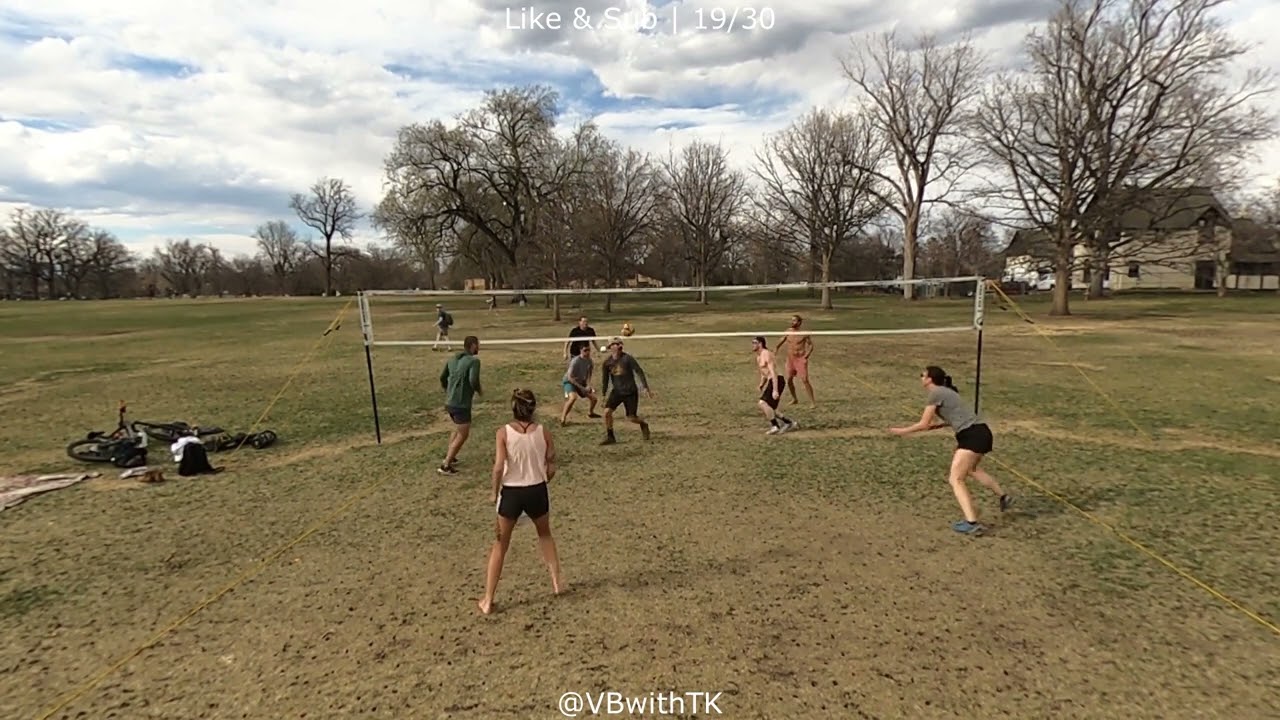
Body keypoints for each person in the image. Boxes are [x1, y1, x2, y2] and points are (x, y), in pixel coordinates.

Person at [889, 365, 1013, 535]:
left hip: (972, 435)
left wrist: (902, 431)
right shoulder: (946, 393)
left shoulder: (936, 393)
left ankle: (972, 522)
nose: (921, 378)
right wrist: (936, 426)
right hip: (979, 432)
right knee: (971, 470)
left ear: (929, 379)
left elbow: (924, 423)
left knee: (956, 479)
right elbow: (953, 419)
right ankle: (1003, 496)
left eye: (922, 375)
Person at [478, 388, 562, 615]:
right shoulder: (544, 432)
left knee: (500, 544)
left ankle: (488, 599)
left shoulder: (503, 433)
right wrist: (545, 478)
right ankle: (556, 583)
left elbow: (498, 466)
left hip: (512, 493)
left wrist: (494, 493)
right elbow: (551, 462)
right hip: (537, 490)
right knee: (545, 535)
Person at [438, 335, 482, 475]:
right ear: (473, 345)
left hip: (449, 402)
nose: (479, 347)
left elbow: (442, 377)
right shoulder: (474, 362)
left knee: (457, 429)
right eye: (478, 344)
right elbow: (473, 379)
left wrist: (447, 389)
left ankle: (452, 454)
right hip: (461, 404)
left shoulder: (452, 359)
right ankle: (446, 465)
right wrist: (478, 390)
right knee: (463, 434)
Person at [600, 338, 653, 445]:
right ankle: (610, 436)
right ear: (610, 347)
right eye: (615, 344)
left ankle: (643, 424)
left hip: (630, 392)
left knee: (631, 418)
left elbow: (639, 371)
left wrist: (645, 387)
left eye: (619, 344)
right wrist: (604, 394)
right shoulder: (607, 363)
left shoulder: (627, 359)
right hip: (617, 392)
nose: (618, 346)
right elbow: (605, 380)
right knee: (607, 412)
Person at [752, 336, 798, 434]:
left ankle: (775, 426)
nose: (753, 345)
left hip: (776, 380)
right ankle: (789, 423)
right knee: (770, 408)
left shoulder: (766, 354)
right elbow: (764, 373)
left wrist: (775, 390)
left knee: (762, 403)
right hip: (771, 381)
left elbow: (773, 372)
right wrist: (761, 384)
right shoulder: (758, 357)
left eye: (754, 342)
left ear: (760, 343)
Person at [775, 314, 815, 406]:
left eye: (794, 321)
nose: (792, 322)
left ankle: (812, 402)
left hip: (800, 359)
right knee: (789, 380)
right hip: (790, 359)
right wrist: (776, 349)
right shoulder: (788, 332)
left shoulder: (803, 333)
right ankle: (794, 399)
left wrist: (806, 356)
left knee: (805, 380)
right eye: (792, 320)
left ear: (799, 322)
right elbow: (780, 342)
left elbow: (811, 345)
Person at [559, 343, 601, 425]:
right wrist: (582, 388)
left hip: (580, 382)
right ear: (580, 351)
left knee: (594, 399)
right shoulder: (575, 361)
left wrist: (588, 384)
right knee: (573, 398)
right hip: (569, 382)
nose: (587, 352)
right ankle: (563, 418)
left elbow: (589, 373)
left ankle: (590, 413)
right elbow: (570, 377)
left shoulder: (590, 361)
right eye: (585, 350)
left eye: (589, 350)